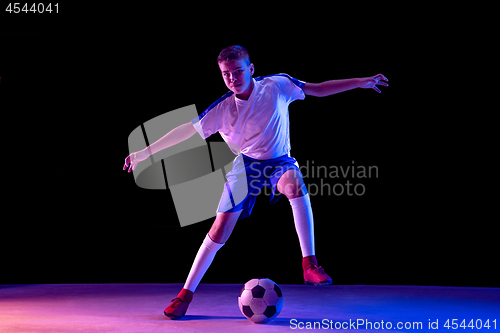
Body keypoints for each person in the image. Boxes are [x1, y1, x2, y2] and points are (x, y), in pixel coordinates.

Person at [123, 45, 388, 320]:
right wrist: (145, 152)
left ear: (251, 70)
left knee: (295, 184)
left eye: (238, 71)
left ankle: (310, 264)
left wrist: (360, 82)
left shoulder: (278, 85)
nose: (233, 78)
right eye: (226, 74)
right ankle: (184, 295)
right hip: (246, 167)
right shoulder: (223, 109)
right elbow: (186, 132)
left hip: (279, 162)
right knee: (219, 230)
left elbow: (316, 89)